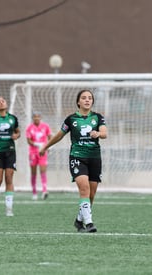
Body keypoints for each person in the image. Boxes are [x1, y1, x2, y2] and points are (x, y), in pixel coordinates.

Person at [39, 90, 107, 233]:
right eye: (84, 98)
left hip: (94, 157)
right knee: (84, 189)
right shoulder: (71, 119)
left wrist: (98, 133)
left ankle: (79, 220)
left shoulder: (98, 117)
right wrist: (45, 146)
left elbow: (105, 133)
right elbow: (59, 135)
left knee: (91, 194)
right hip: (77, 157)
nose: (87, 100)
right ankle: (89, 223)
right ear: (78, 102)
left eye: (89, 98)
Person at [26, 112, 52, 200]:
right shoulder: (29, 128)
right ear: (32, 118)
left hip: (42, 151)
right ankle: (34, 192)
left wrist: (49, 146)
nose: (36, 118)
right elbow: (29, 141)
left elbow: (50, 137)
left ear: (40, 118)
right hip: (33, 152)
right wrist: (37, 144)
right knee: (33, 172)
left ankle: (44, 190)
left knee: (43, 170)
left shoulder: (45, 126)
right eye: (35, 117)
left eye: (38, 117)